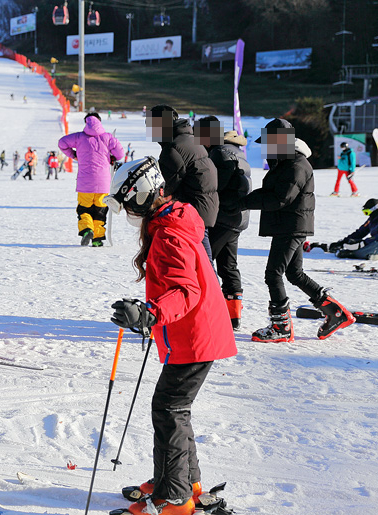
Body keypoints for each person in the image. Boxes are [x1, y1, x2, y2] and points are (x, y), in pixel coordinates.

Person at [105, 156, 237, 515]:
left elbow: (186, 290)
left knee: (168, 409)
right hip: (195, 332)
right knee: (174, 409)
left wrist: (151, 313)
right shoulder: (173, 219)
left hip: (195, 334)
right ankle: (179, 481)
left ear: (145, 194)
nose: (131, 212)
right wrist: (144, 308)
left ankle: (174, 497)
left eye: (131, 204)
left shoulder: (169, 233)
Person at [231, 118, 355, 342]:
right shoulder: (286, 162)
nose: (266, 148)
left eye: (269, 143)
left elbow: (280, 198)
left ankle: (281, 328)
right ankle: (336, 313)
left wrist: (242, 203)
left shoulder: (296, 165)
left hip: (291, 225)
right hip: (290, 224)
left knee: (273, 274)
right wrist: (244, 200)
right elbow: (273, 191)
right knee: (294, 273)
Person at [195, 117, 252, 330]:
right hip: (238, 218)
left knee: (204, 264)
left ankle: (211, 311)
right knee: (228, 265)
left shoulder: (218, 153)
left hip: (224, 217)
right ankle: (233, 315)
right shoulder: (237, 151)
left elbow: (214, 186)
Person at [147, 104, 219, 260]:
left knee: (201, 264)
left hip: (194, 211)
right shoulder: (188, 139)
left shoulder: (174, 148)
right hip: (203, 207)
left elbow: (165, 186)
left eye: (150, 124)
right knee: (201, 263)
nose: (149, 129)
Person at [58, 112, 125, 246]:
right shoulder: (107, 138)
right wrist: (112, 157)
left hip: (85, 183)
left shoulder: (79, 137)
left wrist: (74, 154)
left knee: (84, 209)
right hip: (103, 183)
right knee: (100, 211)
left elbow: (62, 143)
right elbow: (120, 154)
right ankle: (97, 239)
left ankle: (87, 229)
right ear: (100, 122)